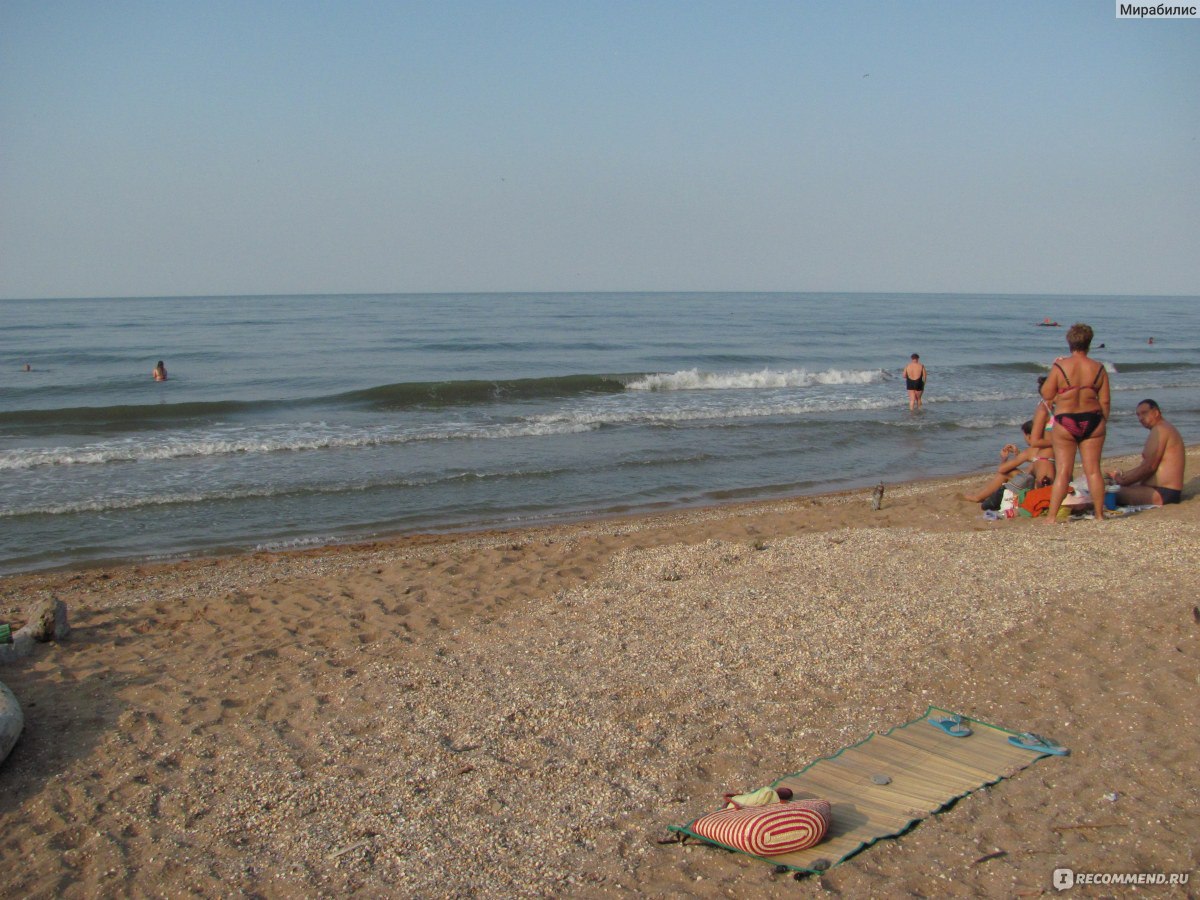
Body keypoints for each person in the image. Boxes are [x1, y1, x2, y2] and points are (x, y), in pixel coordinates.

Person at [1040, 323, 1110, 521]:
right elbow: (1105, 400)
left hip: (1066, 419)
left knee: (1063, 471)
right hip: (1093, 419)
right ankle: (1099, 514)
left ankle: (1051, 517)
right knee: (1093, 470)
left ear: (1069, 343)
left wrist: (1054, 368)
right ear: (1089, 343)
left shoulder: (1061, 366)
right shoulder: (1098, 368)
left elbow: (1046, 393)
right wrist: (1102, 420)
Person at [1108, 400, 1185, 506]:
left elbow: (1149, 467)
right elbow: (1147, 466)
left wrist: (1123, 481)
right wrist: (1122, 475)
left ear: (1156, 412)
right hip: (1160, 490)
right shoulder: (1164, 428)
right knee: (1110, 487)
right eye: (1138, 415)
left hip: (1162, 493)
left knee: (1106, 493)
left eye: (1144, 413)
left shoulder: (1160, 430)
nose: (1140, 418)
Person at [962, 419, 1056, 504]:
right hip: (1053, 488)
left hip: (1037, 490)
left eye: (1024, 435)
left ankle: (978, 497)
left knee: (1007, 472)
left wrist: (1004, 459)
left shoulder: (1031, 450)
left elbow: (1002, 469)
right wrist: (1018, 454)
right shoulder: (1051, 448)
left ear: (1029, 436)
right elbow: (1036, 466)